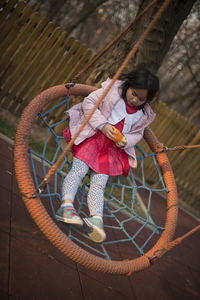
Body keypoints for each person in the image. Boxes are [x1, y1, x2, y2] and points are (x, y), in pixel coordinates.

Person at [56, 67, 159, 243]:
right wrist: (103, 125)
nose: (135, 100)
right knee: (78, 171)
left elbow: (138, 134)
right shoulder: (113, 91)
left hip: (110, 151)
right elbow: (89, 103)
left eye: (142, 100)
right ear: (129, 84)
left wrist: (125, 140)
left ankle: (96, 219)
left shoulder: (142, 114)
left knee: (98, 184)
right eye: (134, 94)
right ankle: (66, 206)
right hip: (93, 139)